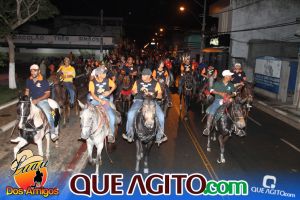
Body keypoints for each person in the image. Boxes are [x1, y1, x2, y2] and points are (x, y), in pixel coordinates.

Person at [122, 68, 167, 145]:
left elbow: (160, 96)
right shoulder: (138, 82)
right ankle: (129, 133)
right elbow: (132, 92)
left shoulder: (155, 83)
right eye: (142, 75)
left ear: (149, 76)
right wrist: (133, 92)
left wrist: (153, 94)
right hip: (139, 100)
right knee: (130, 114)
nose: (142, 76)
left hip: (152, 101)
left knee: (161, 116)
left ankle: (160, 135)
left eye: (144, 75)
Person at [25, 64, 57, 141]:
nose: (33, 72)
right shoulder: (28, 80)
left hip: (42, 101)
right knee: (23, 113)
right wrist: (26, 99)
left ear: (39, 71)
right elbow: (27, 91)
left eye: (35, 71)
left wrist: (37, 100)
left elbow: (48, 94)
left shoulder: (44, 81)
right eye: (32, 71)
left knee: (49, 114)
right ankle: (24, 130)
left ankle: (53, 132)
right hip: (31, 100)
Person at [87, 67, 117, 143]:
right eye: (103, 73)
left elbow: (114, 86)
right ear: (98, 74)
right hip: (95, 100)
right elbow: (92, 94)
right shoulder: (92, 82)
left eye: (105, 73)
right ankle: (87, 130)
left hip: (105, 100)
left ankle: (111, 133)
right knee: (87, 112)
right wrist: (100, 100)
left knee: (112, 115)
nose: (105, 74)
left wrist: (109, 92)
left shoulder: (107, 80)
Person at [203, 70, 235, 136]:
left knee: (236, 110)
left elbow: (234, 93)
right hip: (218, 100)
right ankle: (208, 128)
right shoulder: (218, 83)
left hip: (228, 100)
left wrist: (230, 96)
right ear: (226, 76)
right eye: (229, 76)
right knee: (212, 111)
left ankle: (238, 128)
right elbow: (211, 91)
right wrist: (220, 93)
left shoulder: (231, 85)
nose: (231, 77)